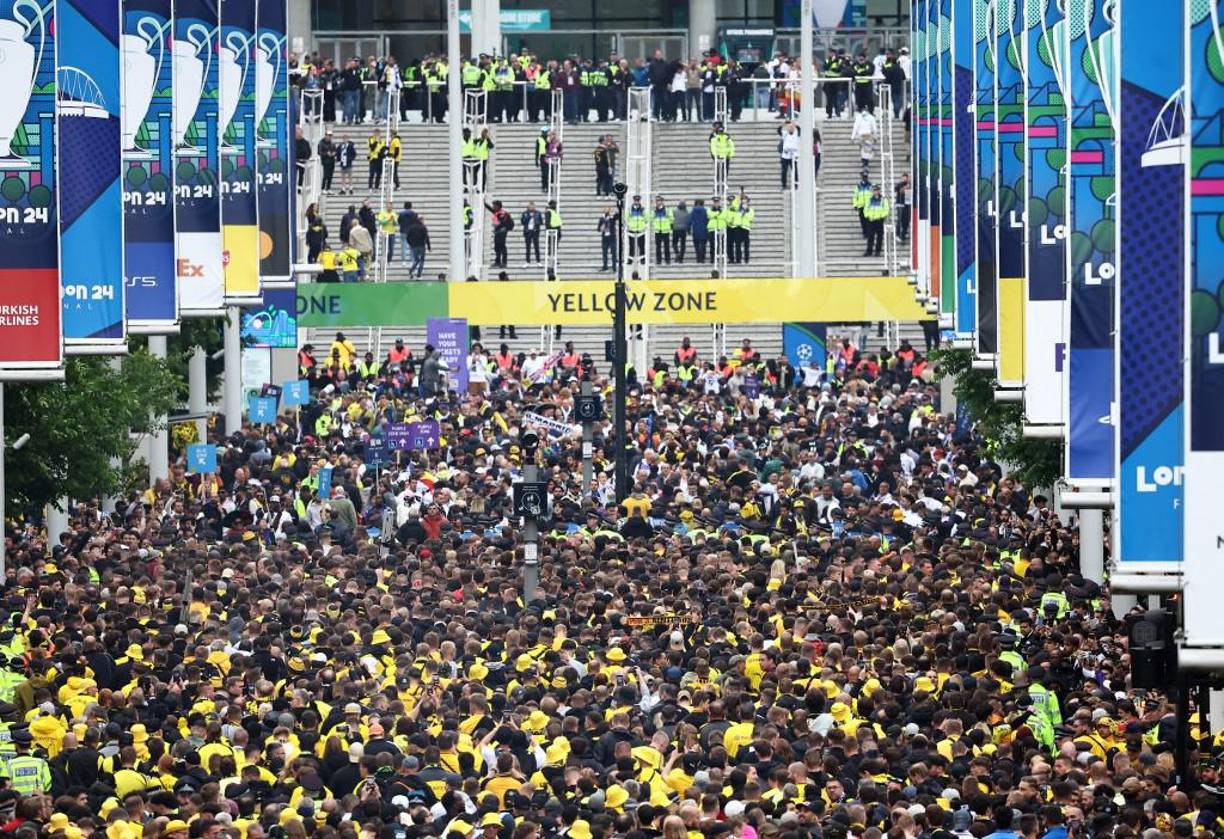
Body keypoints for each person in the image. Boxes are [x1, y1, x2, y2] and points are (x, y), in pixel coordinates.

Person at [863, 183, 889, 257]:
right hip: (871, 220)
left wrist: (881, 216)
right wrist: (867, 216)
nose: (875, 192)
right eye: (874, 190)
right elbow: (865, 209)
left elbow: (886, 209)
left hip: (879, 220)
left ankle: (877, 251)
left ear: (879, 191)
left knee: (879, 236)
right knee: (870, 236)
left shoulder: (883, 200)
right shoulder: (869, 199)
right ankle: (869, 251)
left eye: (876, 190)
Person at [485, 199, 512, 268]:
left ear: (497, 206)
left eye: (494, 205)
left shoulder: (502, 213)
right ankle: (497, 262)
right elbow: (490, 209)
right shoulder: (497, 212)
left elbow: (503, 223)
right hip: (497, 232)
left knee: (502, 247)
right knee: (497, 247)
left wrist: (498, 228)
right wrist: (484, 203)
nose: (493, 207)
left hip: (502, 232)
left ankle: (504, 262)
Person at [625, 194, 648, 268]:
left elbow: (646, 219)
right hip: (632, 230)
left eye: (638, 200)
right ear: (633, 201)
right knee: (631, 246)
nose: (637, 202)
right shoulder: (629, 209)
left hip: (640, 230)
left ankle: (642, 259)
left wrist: (644, 226)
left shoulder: (643, 209)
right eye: (635, 200)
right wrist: (628, 226)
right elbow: (626, 218)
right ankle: (630, 259)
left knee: (641, 246)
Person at [405, 214, 430, 279]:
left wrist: (410, 244)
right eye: (423, 219)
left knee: (416, 260)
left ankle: (412, 269)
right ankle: (419, 275)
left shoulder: (411, 227)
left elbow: (407, 237)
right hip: (421, 246)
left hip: (414, 246)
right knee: (421, 260)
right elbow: (426, 237)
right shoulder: (423, 227)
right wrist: (429, 247)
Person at [778, 120, 799, 190]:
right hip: (785, 155)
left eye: (792, 127)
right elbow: (779, 130)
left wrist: (794, 124)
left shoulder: (796, 134)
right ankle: (783, 185)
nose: (790, 129)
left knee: (795, 170)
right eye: (789, 127)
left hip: (793, 155)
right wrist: (783, 124)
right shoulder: (785, 134)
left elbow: (799, 129)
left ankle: (796, 184)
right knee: (784, 171)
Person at [651, 195, 673, 265]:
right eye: (657, 201)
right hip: (657, 231)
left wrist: (669, 226)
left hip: (665, 230)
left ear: (662, 202)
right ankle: (659, 260)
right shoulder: (654, 211)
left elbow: (671, 219)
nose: (658, 202)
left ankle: (667, 260)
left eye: (659, 201)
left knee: (666, 246)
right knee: (658, 247)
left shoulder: (667, 210)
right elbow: (651, 219)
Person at [521, 201, 543, 266]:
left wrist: (537, 223)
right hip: (527, 231)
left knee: (536, 246)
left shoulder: (538, 213)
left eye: (533, 206)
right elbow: (523, 222)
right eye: (530, 206)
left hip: (535, 231)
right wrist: (529, 217)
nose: (532, 208)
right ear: (528, 207)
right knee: (528, 247)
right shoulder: (525, 213)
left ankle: (538, 261)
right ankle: (527, 262)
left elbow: (541, 222)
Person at [598, 206, 617, 272]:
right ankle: (605, 266)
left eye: (607, 210)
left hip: (612, 238)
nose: (606, 211)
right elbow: (598, 229)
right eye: (605, 210)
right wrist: (601, 228)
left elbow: (616, 217)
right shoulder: (601, 219)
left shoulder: (612, 218)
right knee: (604, 253)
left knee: (613, 253)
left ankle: (614, 267)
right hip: (605, 238)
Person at [690, 197, 709, 264]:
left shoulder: (692, 211)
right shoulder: (705, 211)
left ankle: (698, 258)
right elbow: (707, 220)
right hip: (704, 230)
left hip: (695, 230)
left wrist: (689, 229)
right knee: (703, 245)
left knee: (697, 245)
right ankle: (702, 258)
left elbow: (690, 220)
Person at [671, 200, 690, 264]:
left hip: (676, 229)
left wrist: (671, 227)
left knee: (674, 243)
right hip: (683, 230)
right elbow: (688, 222)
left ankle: (677, 253)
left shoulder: (674, 211)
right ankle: (681, 258)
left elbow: (671, 220)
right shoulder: (687, 212)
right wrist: (688, 230)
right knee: (683, 245)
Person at [896, 172, 912, 243]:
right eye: (904, 177)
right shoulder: (900, 184)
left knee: (906, 220)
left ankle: (903, 234)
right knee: (900, 219)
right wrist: (905, 187)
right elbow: (899, 191)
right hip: (900, 204)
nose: (905, 179)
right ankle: (898, 234)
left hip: (907, 204)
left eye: (906, 177)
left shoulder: (910, 185)